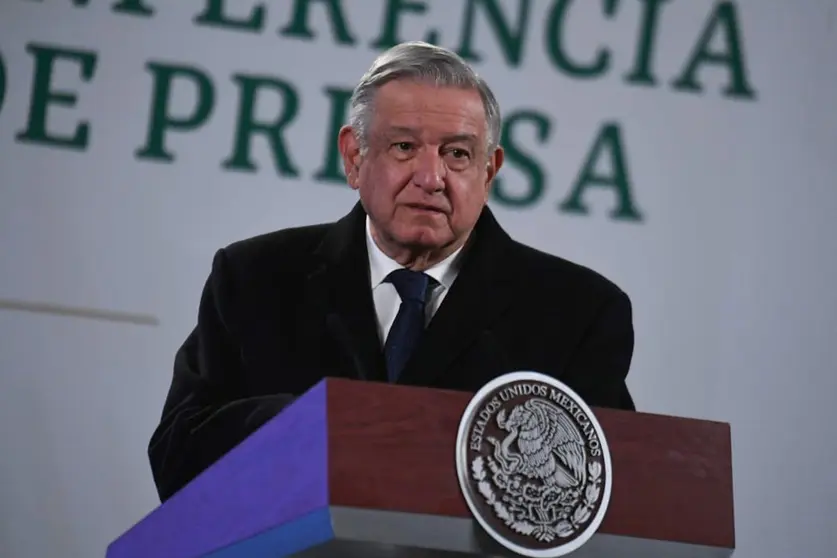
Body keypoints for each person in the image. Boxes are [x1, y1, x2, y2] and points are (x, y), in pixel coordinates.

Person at [148, 41, 636, 503]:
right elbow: (177, 456)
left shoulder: (578, 314)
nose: (430, 178)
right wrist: (312, 426)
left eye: (457, 154)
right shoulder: (255, 278)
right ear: (354, 157)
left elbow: (607, 497)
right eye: (404, 147)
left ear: (489, 172)